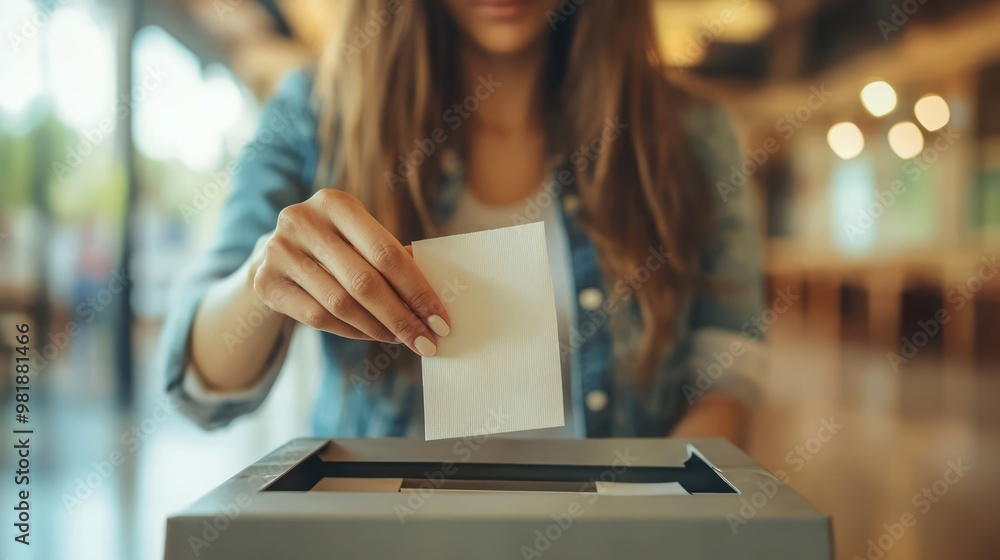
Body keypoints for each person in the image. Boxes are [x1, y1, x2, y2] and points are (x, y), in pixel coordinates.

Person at [159, 0, 766, 442]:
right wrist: (264, 275)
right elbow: (198, 386)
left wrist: (645, 533)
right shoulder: (312, 114)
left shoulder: (691, 133)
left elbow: (725, 370)